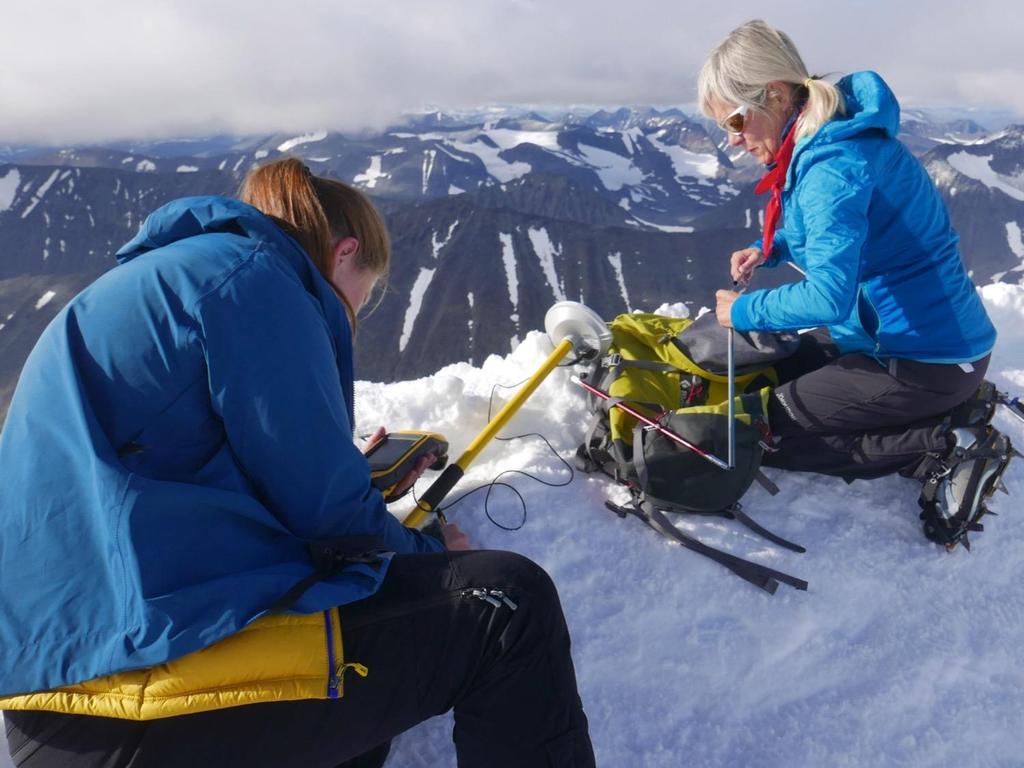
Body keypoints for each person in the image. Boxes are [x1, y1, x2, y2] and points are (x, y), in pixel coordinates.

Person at [0, 158, 595, 767]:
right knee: (508, 603)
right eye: (368, 289)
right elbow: (330, 513)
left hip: (57, 693)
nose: (359, 309)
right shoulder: (255, 283)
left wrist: (336, 469)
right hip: (137, 690)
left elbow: (162, 467)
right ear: (344, 253)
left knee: (356, 664)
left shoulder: (174, 275)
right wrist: (432, 552)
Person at [700, 20, 1009, 547]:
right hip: (914, 343)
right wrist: (769, 250)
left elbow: (828, 295)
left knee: (757, 431)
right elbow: (847, 235)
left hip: (919, 359)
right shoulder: (833, 140)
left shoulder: (831, 166)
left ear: (774, 94)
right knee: (774, 373)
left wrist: (744, 312)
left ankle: (940, 447)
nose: (733, 140)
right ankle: (952, 405)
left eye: (734, 120)